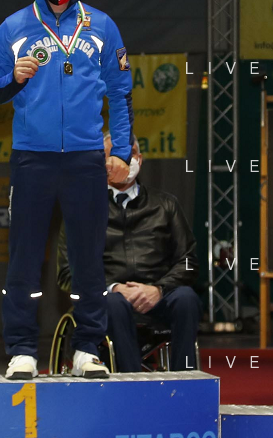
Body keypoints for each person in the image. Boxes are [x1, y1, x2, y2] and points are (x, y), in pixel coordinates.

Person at [0, 0, 134, 380]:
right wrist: (13, 77)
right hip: (33, 158)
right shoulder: (14, 27)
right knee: (25, 258)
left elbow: (121, 93)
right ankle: (22, 351)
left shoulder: (102, 26)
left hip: (86, 159)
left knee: (87, 260)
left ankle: (86, 349)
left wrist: (122, 152)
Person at [56, 136, 198, 373]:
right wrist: (112, 288)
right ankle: (133, 381)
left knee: (186, 298)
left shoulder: (166, 205)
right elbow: (66, 273)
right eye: (114, 153)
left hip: (157, 298)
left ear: (139, 160)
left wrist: (159, 289)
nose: (124, 159)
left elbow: (189, 261)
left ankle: (184, 381)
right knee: (113, 302)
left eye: (129, 153)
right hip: (106, 300)